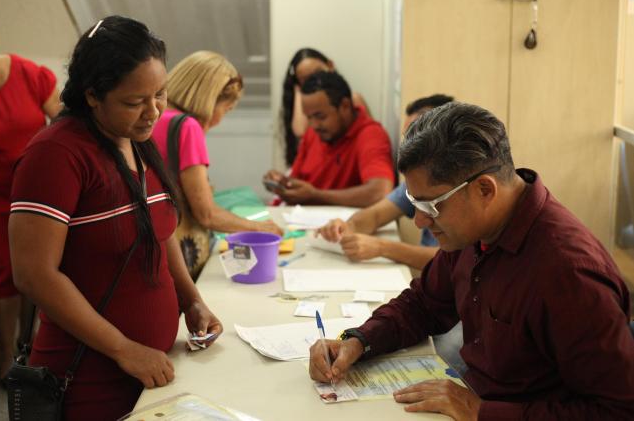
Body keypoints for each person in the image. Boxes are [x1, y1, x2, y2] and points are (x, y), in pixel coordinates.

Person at [309, 103, 634, 420]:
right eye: (413, 203)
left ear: (484, 190)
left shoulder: (568, 273)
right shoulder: (472, 230)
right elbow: (424, 304)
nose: (420, 222)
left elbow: (617, 409)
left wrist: (480, 411)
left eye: (431, 206)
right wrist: (359, 341)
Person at [8, 16, 223, 419]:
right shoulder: (56, 154)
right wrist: (125, 349)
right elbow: (35, 274)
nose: (153, 111)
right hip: (89, 376)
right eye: (134, 101)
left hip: (148, 369)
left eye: (160, 94)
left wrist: (191, 300)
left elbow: (160, 234)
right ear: (92, 95)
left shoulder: (136, 142)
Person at [0, 11, 62, 384]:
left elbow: (62, 120)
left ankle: (31, 341)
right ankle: (6, 355)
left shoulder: (29, 75)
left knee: (35, 268)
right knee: (4, 272)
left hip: (31, 188)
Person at [151, 51, 282, 278]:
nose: (221, 119)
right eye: (226, 110)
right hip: (178, 259)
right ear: (210, 100)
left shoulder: (152, 120)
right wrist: (260, 228)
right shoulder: (187, 127)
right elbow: (206, 214)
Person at [317, 94, 454, 269]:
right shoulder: (417, 183)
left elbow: (450, 261)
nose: (408, 148)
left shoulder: (459, 191)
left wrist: (382, 247)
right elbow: (375, 215)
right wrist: (346, 227)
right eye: (407, 138)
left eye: (416, 138)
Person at [264, 71, 394, 207]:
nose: (313, 125)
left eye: (320, 116)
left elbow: (380, 192)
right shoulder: (314, 132)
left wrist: (316, 195)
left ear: (344, 106)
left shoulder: (370, 135)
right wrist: (281, 183)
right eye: (309, 117)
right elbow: (296, 180)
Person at [280, 48, 368, 167]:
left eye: (318, 72)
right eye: (305, 80)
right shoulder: (307, 109)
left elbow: (367, 137)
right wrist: (298, 89)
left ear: (330, 66)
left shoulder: (352, 100)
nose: (315, 80)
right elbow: (300, 130)